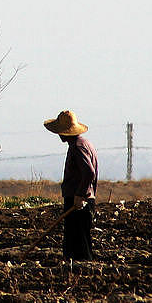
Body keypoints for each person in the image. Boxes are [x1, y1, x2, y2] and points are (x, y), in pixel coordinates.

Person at [43, 109, 99, 261]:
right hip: (80, 199)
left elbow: (89, 172)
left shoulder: (78, 146)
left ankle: (81, 276)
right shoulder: (82, 143)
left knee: (78, 245)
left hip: (78, 202)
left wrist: (79, 195)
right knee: (78, 243)